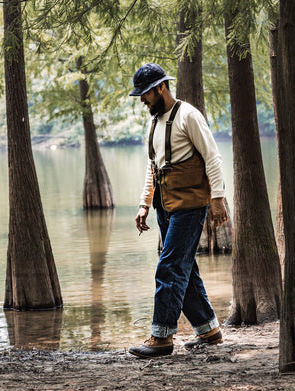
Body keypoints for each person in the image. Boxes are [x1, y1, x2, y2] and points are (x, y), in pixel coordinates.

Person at [128, 63, 228, 358]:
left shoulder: (189, 116)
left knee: (169, 267)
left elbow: (213, 158)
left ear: (161, 87)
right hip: (165, 206)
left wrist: (218, 198)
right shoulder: (154, 122)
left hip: (191, 205)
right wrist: (145, 203)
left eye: (145, 93)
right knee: (185, 268)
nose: (143, 100)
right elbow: (153, 166)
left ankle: (161, 337)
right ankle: (208, 330)